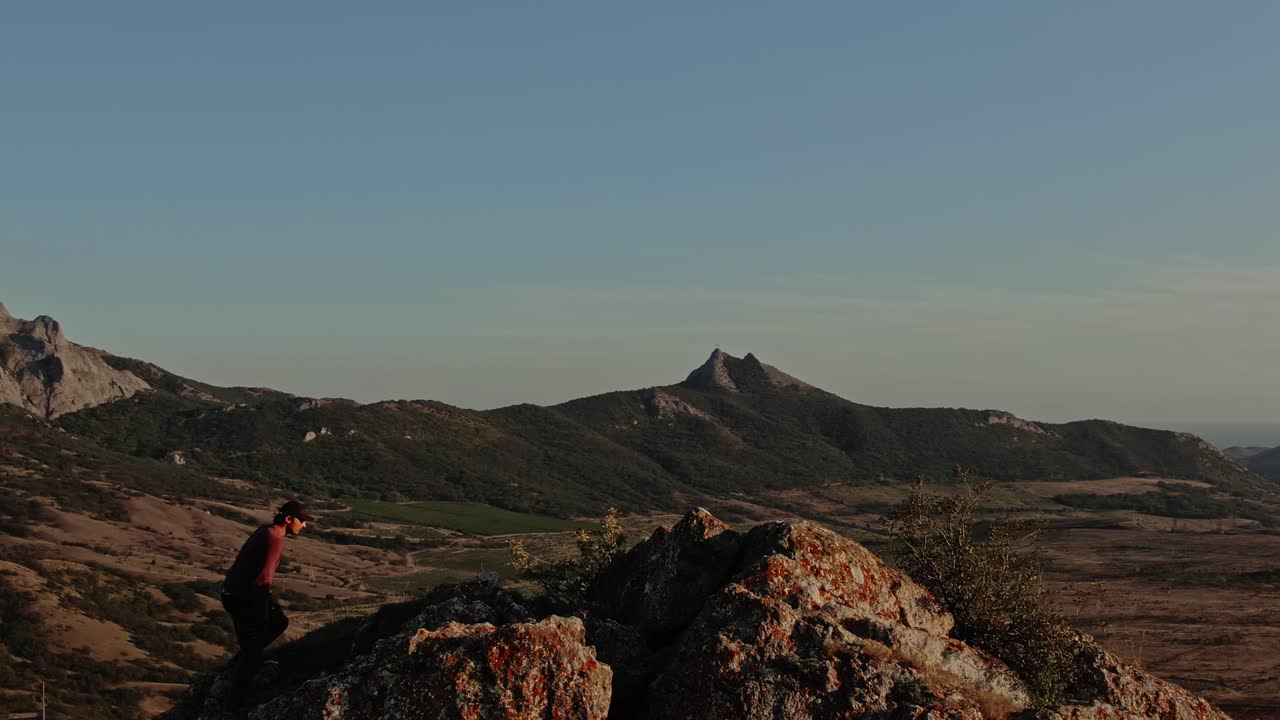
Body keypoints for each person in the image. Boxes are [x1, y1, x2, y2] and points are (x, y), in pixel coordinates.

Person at [220, 500, 315, 704]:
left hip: (233, 593)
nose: (305, 525)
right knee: (254, 649)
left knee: (274, 625)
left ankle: (239, 666)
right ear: (289, 519)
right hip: (243, 597)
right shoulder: (275, 539)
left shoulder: (265, 531)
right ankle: (234, 701)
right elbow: (263, 580)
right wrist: (262, 613)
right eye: (302, 520)